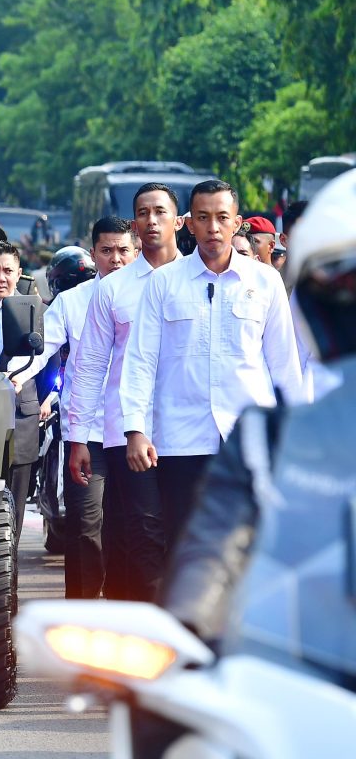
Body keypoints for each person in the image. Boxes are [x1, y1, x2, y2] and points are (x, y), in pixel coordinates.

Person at [163, 170, 356, 688]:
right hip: (302, 673)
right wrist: (186, 629)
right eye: (347, 294)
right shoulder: (264, 442)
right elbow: (212, 549)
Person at [121, 179, 306, 551]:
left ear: (237, 223)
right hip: (180, 439)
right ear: (190, 224)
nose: (213, 227)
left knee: (249, 546)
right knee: (183, 546)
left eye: (222, 217)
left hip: (249, 439)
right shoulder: (164, 284)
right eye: (203, 218)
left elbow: (285, 365)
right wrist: (136, 430)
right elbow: (141, 360)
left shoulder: (265, 281)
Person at [62, 184, 182, 602]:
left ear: (178, 221)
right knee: (136, 535)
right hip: (123, 434)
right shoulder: (113, 289)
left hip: (191, 434)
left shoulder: (202, 280)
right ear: (135, 224)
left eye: (161, 212)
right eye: (143, 213)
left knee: (182, 534)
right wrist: (78, 437)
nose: (152, 221)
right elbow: (90, 367)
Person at [13, 221, 137, 598]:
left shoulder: (153, 294)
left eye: (122, 251)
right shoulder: (72, 301)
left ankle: (127, 610)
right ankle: (80, 613)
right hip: (88, 435)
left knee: (133, 526)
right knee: (84, 524)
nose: (115, 260)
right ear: (93, 253)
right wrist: (12, 375)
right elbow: (40, 350)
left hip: (139, 432)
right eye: (106, 251)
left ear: (134, 252)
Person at [0, 240, 40, 543]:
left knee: (14, 508)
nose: (0, 278)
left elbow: (48, 358)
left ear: (19, 273)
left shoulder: (35, 310)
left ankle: (9, 585)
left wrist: (44, 398)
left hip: (21, 417)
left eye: (7, 271)